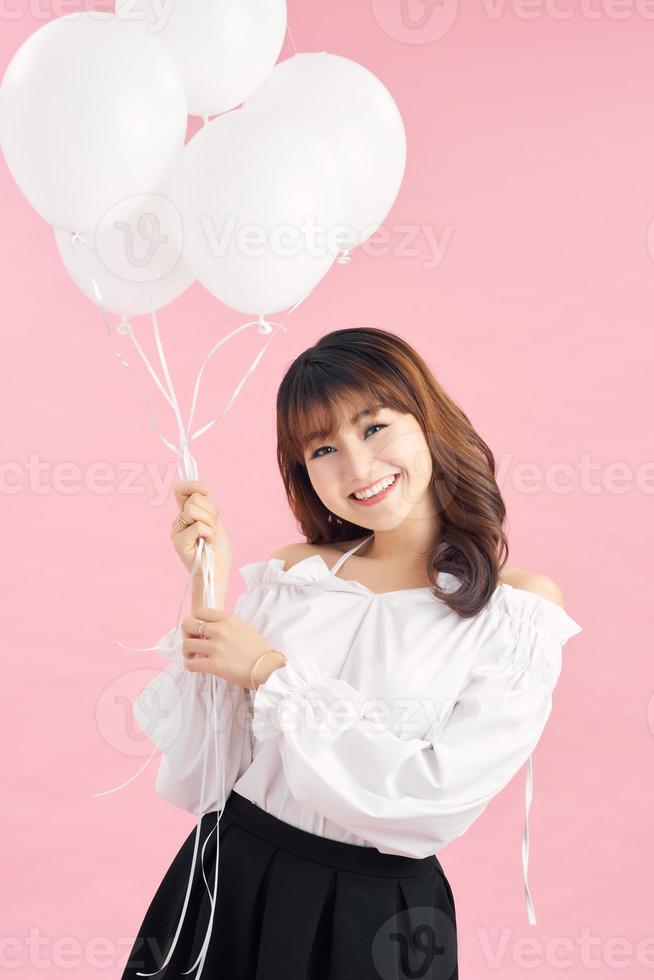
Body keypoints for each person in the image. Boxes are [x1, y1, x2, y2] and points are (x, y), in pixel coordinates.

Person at [121, 327, 582, 980]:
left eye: (374, 428)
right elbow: (205, 772)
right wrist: (208, 581)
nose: (359, 469)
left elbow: (433, 803)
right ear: (302, 470)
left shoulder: (515, 610)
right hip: (230, 879)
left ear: (426, 420)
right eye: (324, 448)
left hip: (373, 913)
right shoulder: (294, 575)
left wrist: (270, 674)